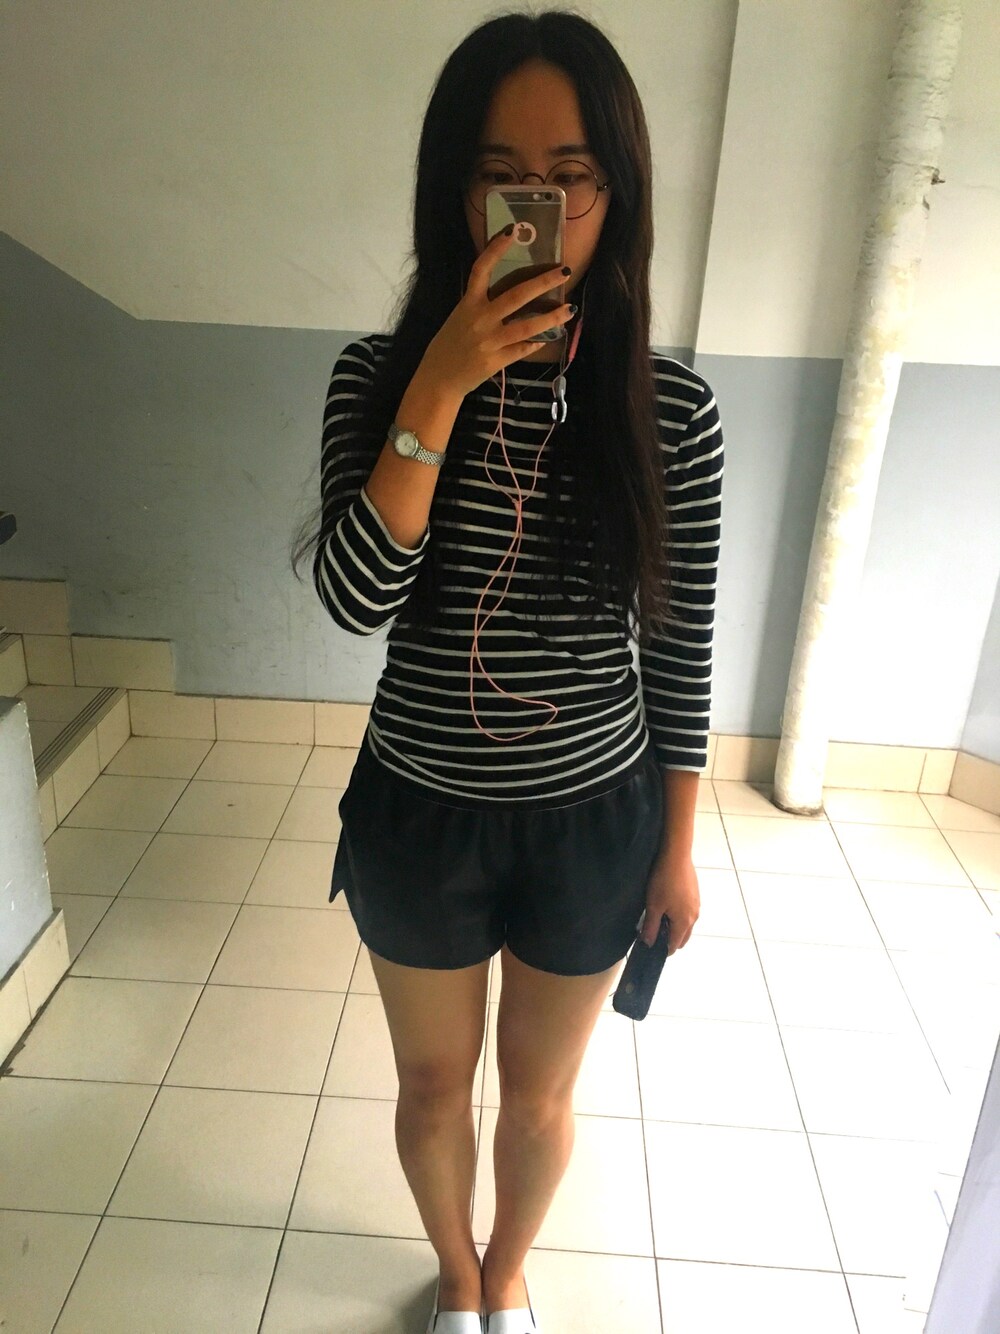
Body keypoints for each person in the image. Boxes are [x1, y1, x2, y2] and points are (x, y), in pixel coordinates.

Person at [292, 11, 723, 1332]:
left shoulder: (672, 411)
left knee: (538, 1098)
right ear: (458, 190)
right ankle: (458, 1278)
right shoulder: (378, 381)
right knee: (434, 1088)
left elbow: (683, 648)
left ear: (616, 194)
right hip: (419, 810)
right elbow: (356, 599)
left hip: (594, 819)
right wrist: (438, 388)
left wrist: (676, 847)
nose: (539, 207)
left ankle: (513, 1273)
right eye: (502, 174)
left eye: (571, 176)